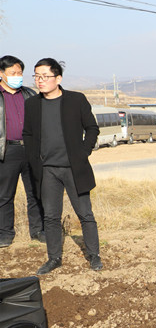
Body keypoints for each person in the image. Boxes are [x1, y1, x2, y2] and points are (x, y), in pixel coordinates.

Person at [22, 58, 102, 274]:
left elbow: (92, 128)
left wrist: (83, 152)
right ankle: (54, 258)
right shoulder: (32, 104)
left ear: (58, 78)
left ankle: (94, 255)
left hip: (74, 169)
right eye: (37, 76)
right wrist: (33, 158)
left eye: (45, 76)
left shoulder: (76, 100)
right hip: (47, 170)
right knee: (50, 216)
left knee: (85, 213)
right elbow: (28, 134)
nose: (40, 81)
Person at [0, 55, 44, 248]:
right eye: (12, 73)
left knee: (35, 192)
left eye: (19, 73)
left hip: (30, 149)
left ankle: (38, 231)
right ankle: (5, 234)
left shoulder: (30, 94)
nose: (17, 76)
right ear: (1, 74)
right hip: (7, 150)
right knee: (4, 195)